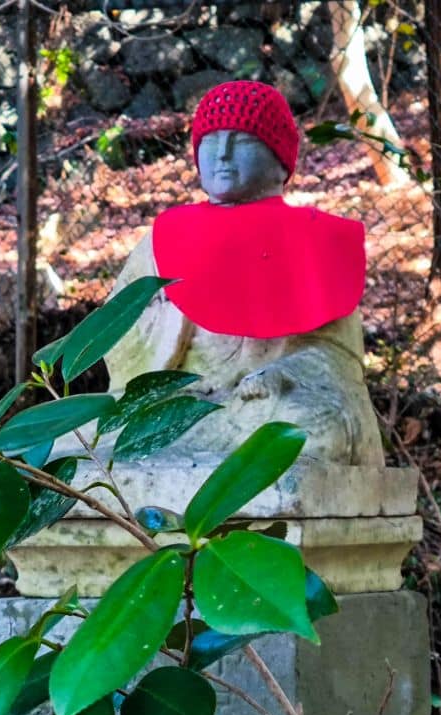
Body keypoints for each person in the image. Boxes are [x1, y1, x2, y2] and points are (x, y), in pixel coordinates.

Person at [104, 81, 384, 466]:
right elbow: (119, 337)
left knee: (315, 429)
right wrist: (170, 365)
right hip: (180, 407)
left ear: (278, 158)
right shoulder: (163, 240)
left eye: (242, 141)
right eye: (212, 141)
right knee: (97, 428)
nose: (223, 154)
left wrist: (283, 374)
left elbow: (338, 356)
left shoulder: (317, 240)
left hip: (267, 406)